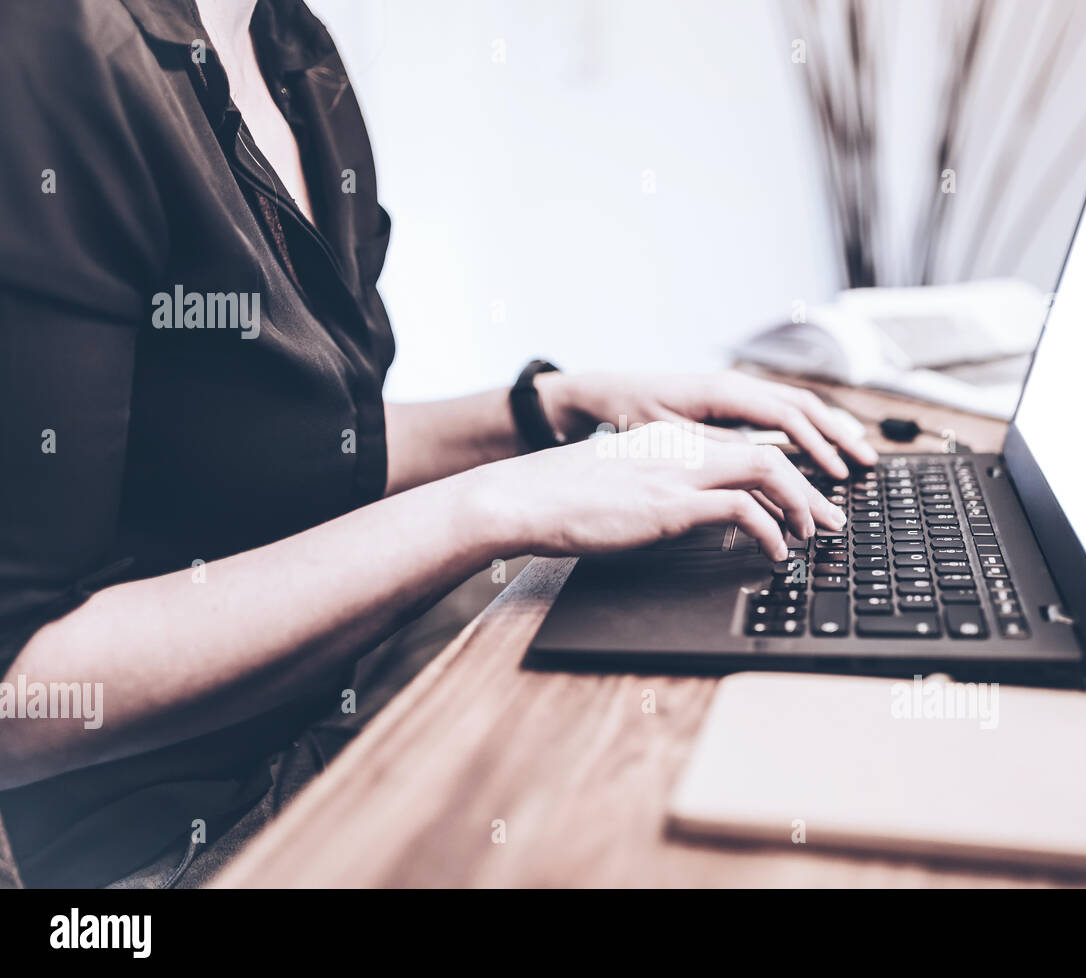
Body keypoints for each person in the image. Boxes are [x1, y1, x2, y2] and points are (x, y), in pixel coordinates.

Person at [0, 0, 876, 887]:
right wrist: (492, 507)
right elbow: (17, 702)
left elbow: (289, 455)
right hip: (172, 845)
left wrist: (546, 413)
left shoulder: (286, 50)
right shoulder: (57, 48)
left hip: (340, 698)